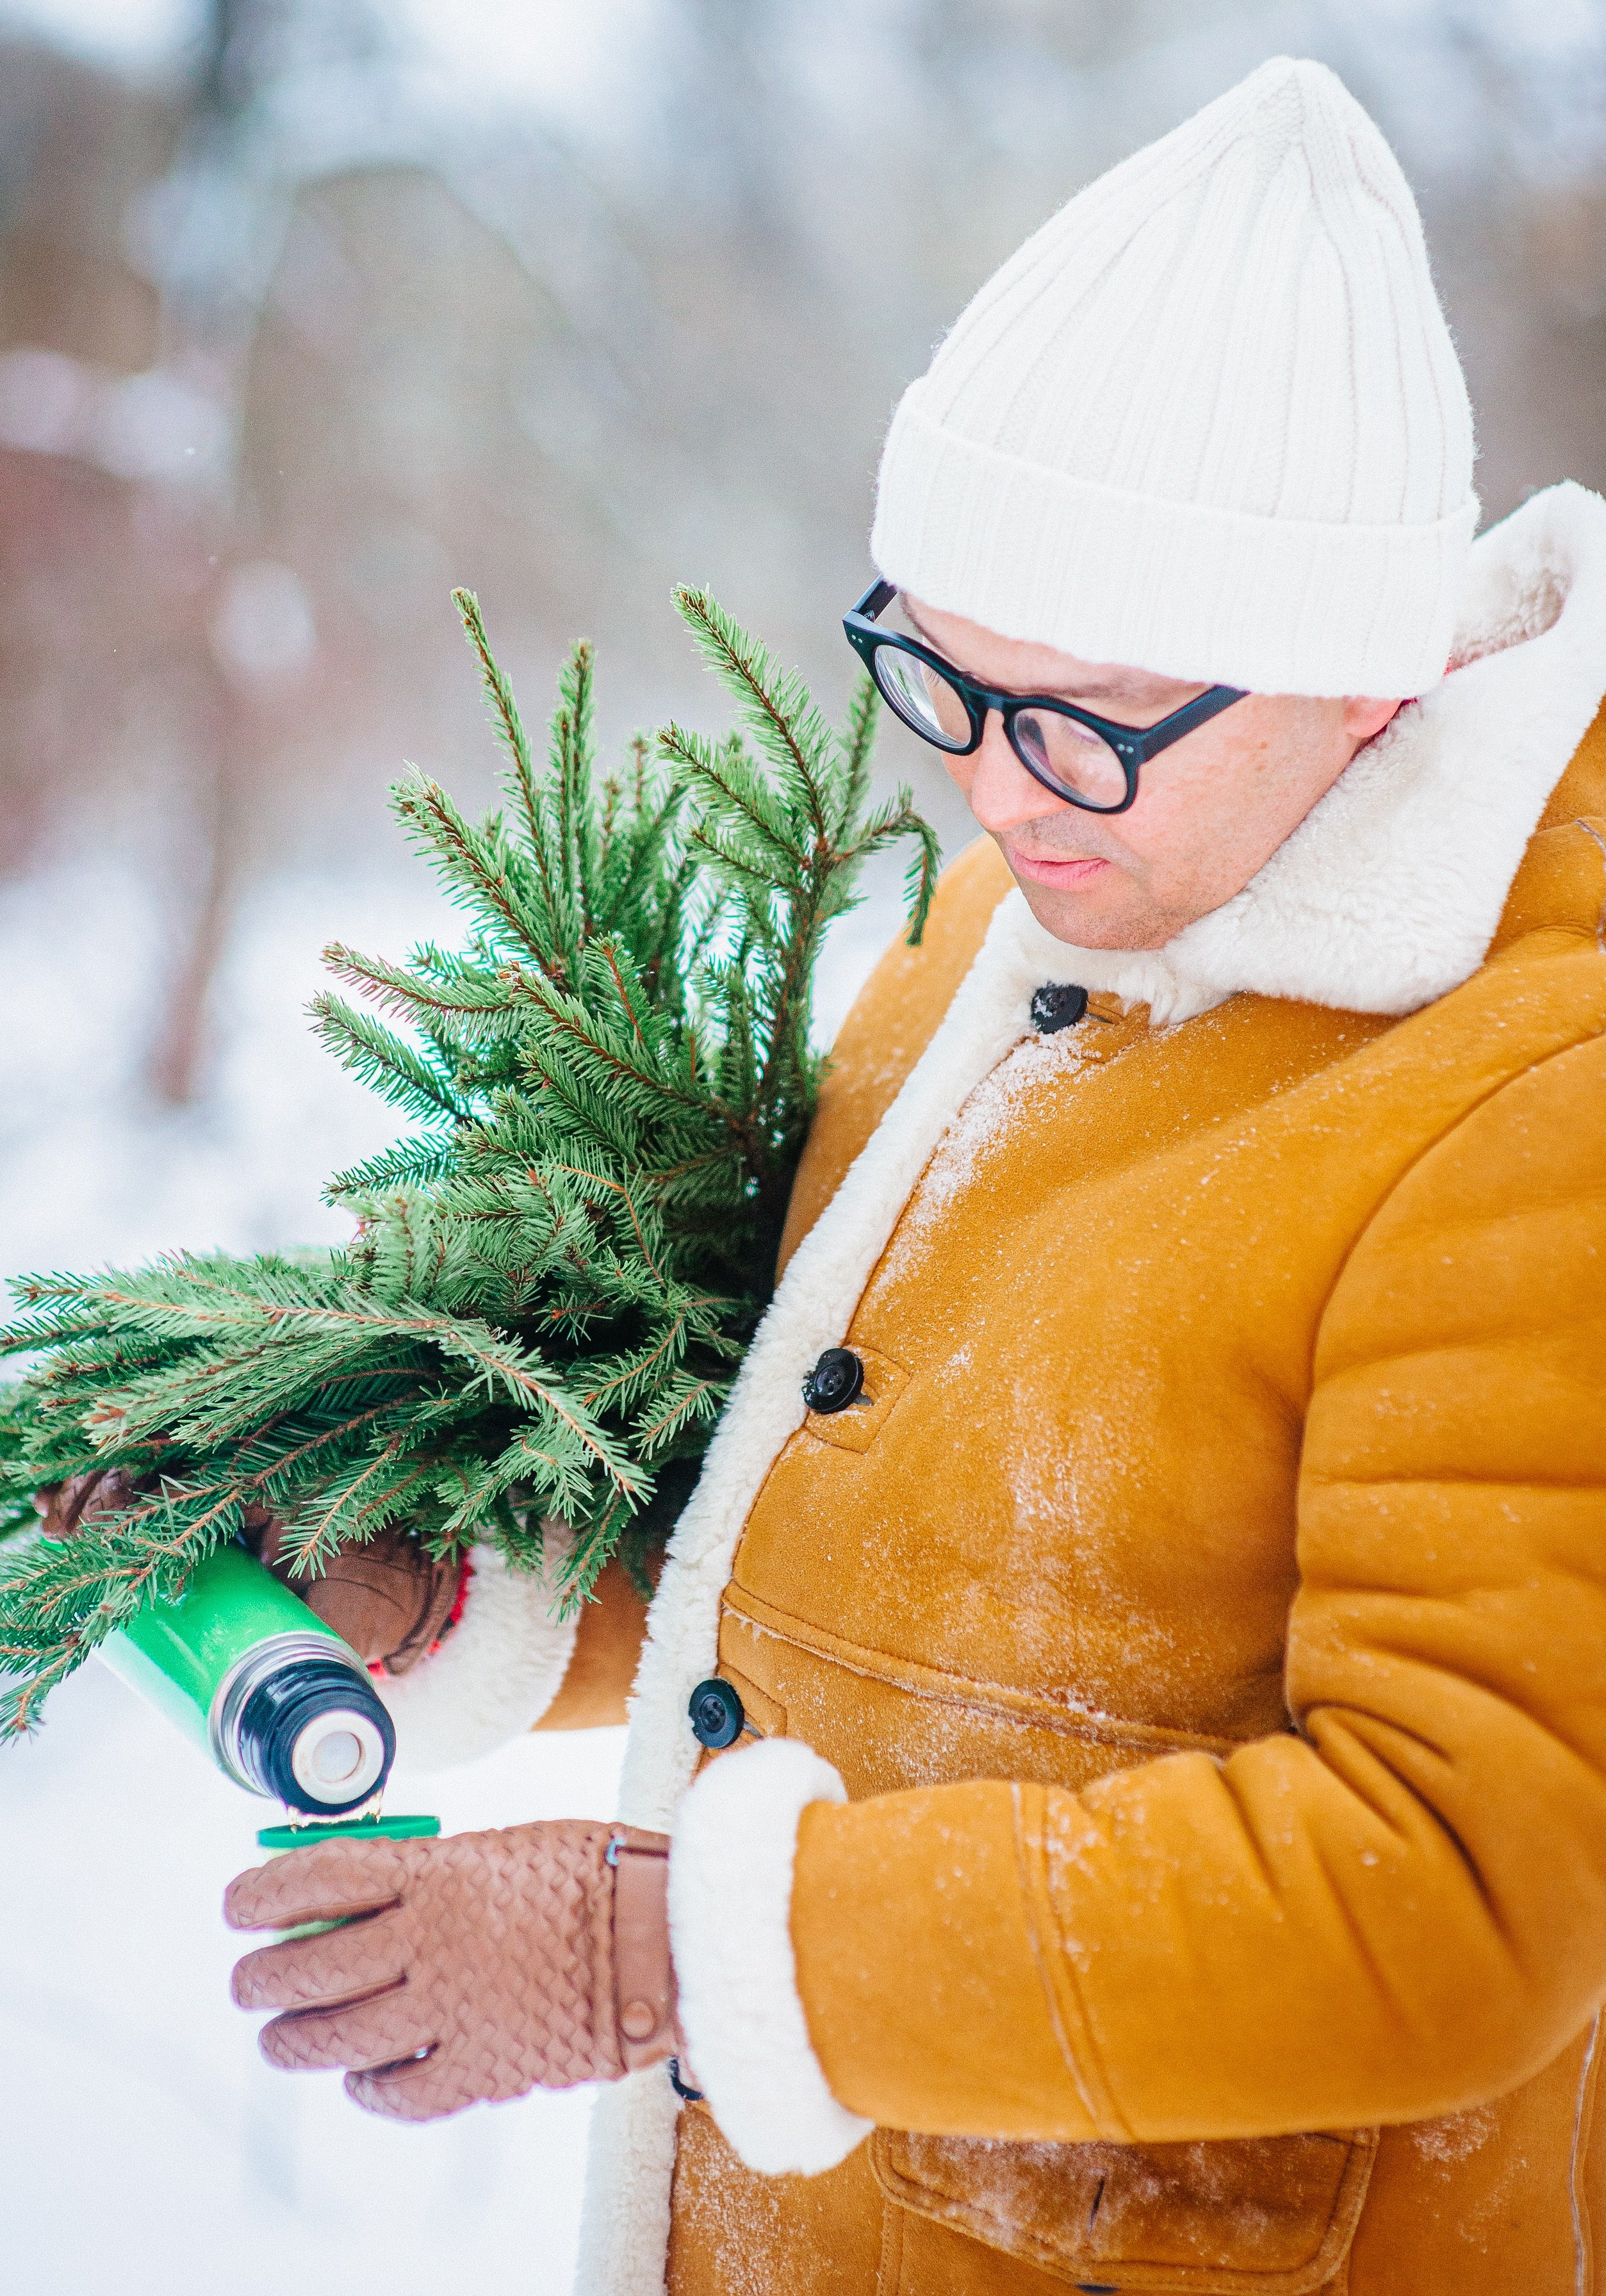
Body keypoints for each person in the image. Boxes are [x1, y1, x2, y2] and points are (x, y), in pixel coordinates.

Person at [224, 56, 1606, 2296]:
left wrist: (660, 1950)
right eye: (940, 684)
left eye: (1080, 718)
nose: (997, 796)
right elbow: (888, 1530)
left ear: (1364, 687)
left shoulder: (1537, 1094)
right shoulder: (1031, 917)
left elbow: (1458, 1896)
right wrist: (451, 1580)